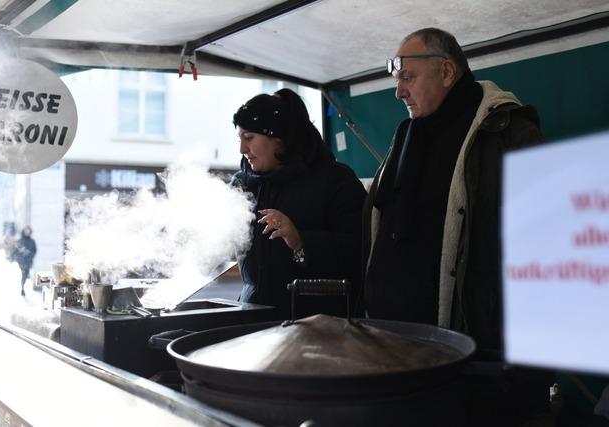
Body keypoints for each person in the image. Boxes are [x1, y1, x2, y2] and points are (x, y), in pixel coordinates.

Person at [362, 28, 550, 425]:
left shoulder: (508, 134)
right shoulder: (405, 139)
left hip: (477, 367)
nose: (398, 92)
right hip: (398, 360)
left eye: (407, 77)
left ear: (447, 71)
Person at [232, 88, 367, 319]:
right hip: (251, 323)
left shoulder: (335, 181)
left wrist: (301, 241)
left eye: (249, 138)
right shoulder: (242, 185)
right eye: (239, 139)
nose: (242, 150)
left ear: (279, 140)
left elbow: (360, 251)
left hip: (317, 329)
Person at [13, 225, 37, 296]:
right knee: (23, 274)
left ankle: (23, 286)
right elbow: (16, 251)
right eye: (26, 231)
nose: (27, 232)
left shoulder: (32, 241)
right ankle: (22, 288)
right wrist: (19, 258)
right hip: (21, 262)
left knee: (25, 275)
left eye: (28, 231)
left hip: (28, 262)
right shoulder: (20, 241)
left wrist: (30, 256)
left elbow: (34, 251)